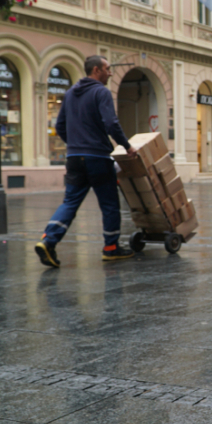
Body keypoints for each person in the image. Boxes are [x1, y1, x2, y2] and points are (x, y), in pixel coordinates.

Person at [35, 55, 137, 267]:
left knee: (70, 202)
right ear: (97, 70)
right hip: (98, 157)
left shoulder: (71, 93)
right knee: (109, 204)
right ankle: (111, 248)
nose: (110, 73)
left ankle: (48, 240)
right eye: (108, 69)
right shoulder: (101, 92)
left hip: (74, 158)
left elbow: (59, 126)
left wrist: (75, 143)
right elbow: (111, 123)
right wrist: (127, 147)